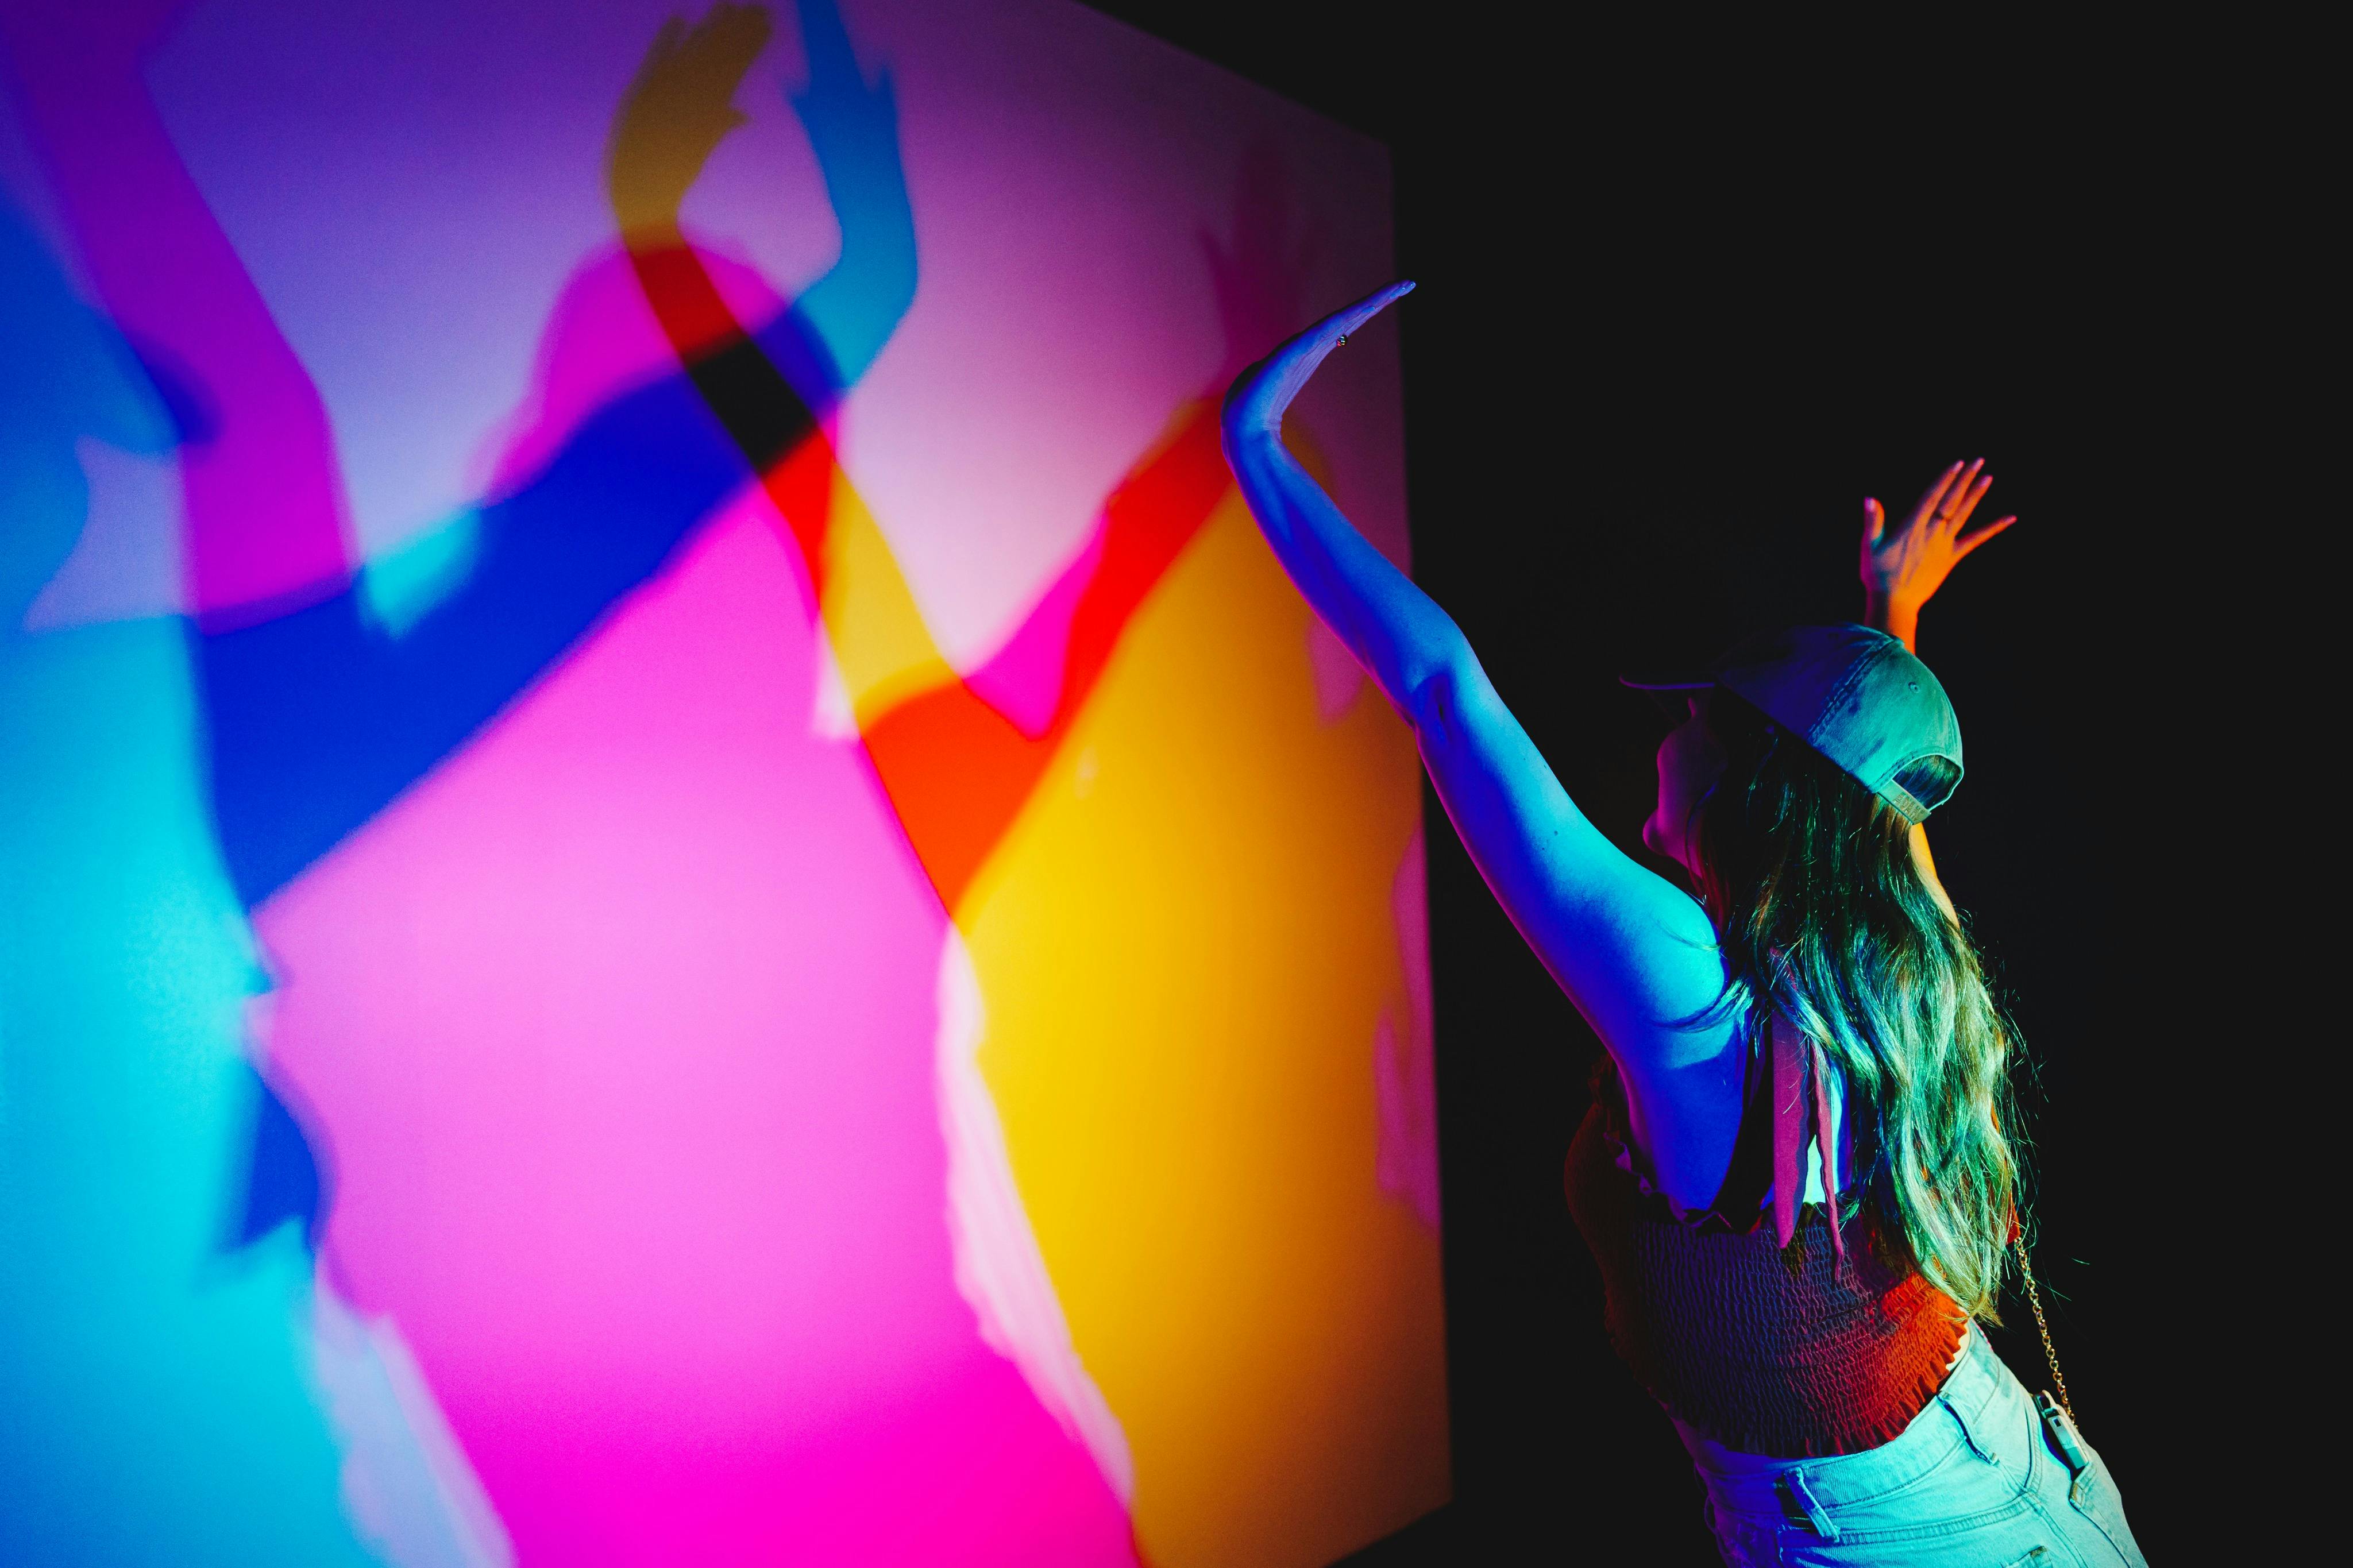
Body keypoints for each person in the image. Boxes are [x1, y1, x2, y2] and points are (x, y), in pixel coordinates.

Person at [1222, 283, 2147, 1566]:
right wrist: (1891, 617)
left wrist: (1257, 447)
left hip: (1914, 1531)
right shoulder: (1905, 960)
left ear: (1743, 778)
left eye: (1692, 717)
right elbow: (1873, 803)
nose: (1664, 734)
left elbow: (1442, 692)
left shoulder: (1691, 985)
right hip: (1991, 1481)